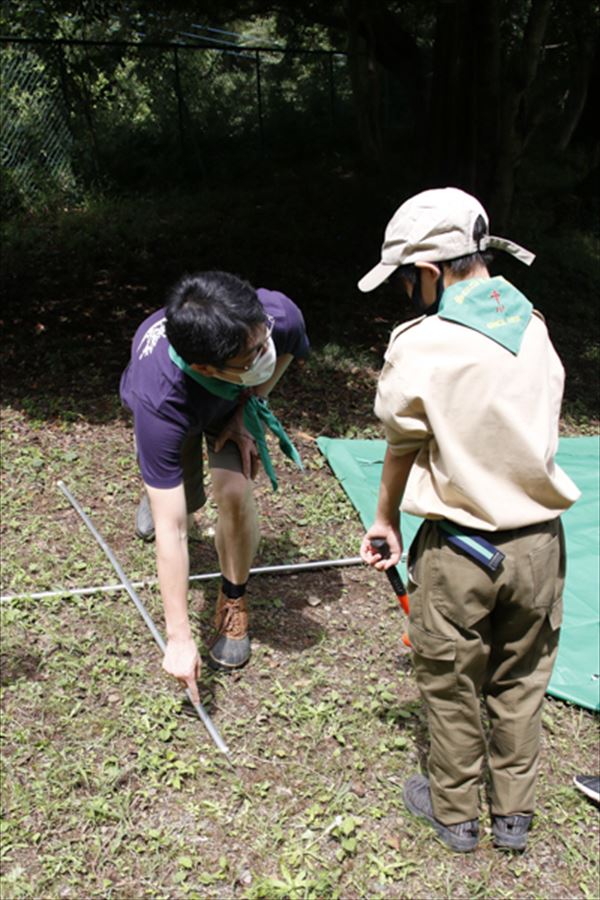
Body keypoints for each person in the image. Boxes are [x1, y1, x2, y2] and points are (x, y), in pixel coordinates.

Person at [358, 188, 580, 853]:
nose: (406, 292)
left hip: (460, 552)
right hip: (540, 545)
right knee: (521, 679)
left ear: (428, 271)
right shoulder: (536, 326)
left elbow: (402, 439)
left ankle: (454, 814)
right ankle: (513, 815)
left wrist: (386, 518)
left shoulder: (422, 345)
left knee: (451, 683)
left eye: (405, 279)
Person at [120, 271, 309, 704]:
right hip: (181, 411)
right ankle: (165, 488)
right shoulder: (159, 404)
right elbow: (173, 535)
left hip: (232, 399)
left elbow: (286, 351)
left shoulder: (275, 317)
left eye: (264, 341)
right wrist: (180, 637)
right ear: (208, 367)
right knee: (177, 513)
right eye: (253, 354)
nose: (266, 351)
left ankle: (235, 597)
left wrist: (251, 403)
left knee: (235, 492)